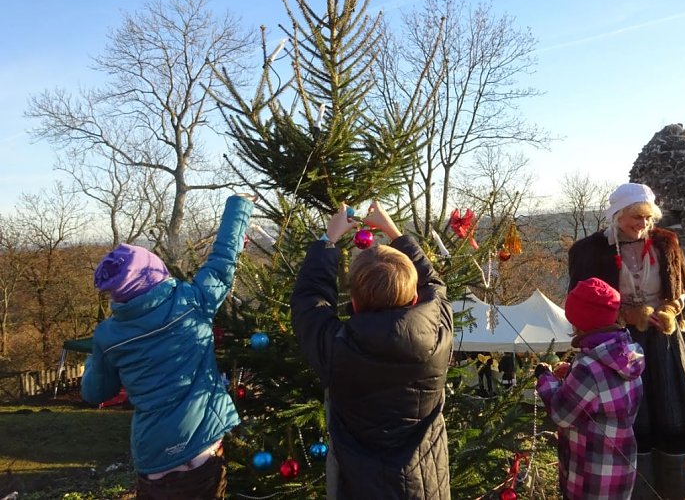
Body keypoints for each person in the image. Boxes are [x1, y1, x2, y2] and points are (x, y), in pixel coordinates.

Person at [81, 193, 254, 499]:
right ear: (158, 274)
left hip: (153, 458)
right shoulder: (193, 303)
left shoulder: (108, 336)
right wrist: (238, 206)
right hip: (202, 451)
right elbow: (221, 262)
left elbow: (95, 392)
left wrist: (98, 360)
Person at [291, 201, 453, 499]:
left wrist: (329, 240)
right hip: (425, 487)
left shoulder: (337, 350)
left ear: (353, 304)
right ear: (415, 297)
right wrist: (393, 231)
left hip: (359, 489)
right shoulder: (439, 336)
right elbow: (434, 284)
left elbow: (309, 301)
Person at [567, 182, 685, 499]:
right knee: (632, 414)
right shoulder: (589, 251)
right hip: (618, 343)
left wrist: (670, 309)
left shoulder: (666, 243)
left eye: (647, 218)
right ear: (616, 215)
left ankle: (677, 485)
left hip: (663, 342)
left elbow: (680, 287)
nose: (641, 225)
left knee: (669, 407)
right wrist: (627, 315)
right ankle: (635, 488)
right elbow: (583, 301)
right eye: (634, 218)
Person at [535, 277, 645, 499]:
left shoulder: (587, 367)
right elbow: (603, 391)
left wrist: (545, 378)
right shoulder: (631, 353)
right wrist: (572, 374)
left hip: (589, 475)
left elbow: (562, 413)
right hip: (622, 469)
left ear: (579, 322)